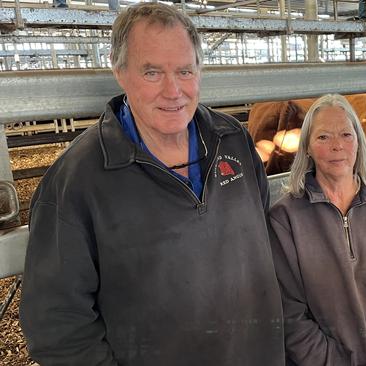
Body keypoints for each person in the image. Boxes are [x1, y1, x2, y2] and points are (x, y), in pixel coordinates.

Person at [20, 3, 284, 365]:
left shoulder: (232, 139)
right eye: (152, 72)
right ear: (119, 70)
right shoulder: (77, 180)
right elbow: (58, 326)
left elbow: (265, 241)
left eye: (185, 71)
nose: (173, 90)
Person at [268, 94, 366, 366]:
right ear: (306, 146)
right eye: (323, 137)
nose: (337, 146)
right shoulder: (285, 219)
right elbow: (290, 316)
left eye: (346, 134)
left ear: (359, 142)